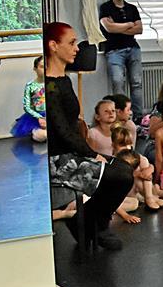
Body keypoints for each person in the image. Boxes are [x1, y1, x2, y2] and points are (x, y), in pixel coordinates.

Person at [43, 22, 134, 252]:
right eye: (71, 43)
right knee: (119, 176)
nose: (76, 48)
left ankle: (88, 221)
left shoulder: (63, 79)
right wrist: (92, 154)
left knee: (125, 170)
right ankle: (97, 225)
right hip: (59, 161)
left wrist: (90, 153)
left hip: (72, 153)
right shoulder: (50, 87)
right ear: (53, 46)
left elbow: (72, 127)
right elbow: (63, 131)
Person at [99, 0, 145, 121]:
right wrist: (129, 25)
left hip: (133, 49)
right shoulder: (105, 8)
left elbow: (139, 29)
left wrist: (117, 27)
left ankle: (138, 118)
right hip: (114, 51)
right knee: (118, 82)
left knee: (137, 83)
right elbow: (109, 28)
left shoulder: (132, 8)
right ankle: (120, 118)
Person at [112, 124, 163, 212]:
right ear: (113, 145)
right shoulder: (114, 159)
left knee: (144, 162)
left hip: (135, 189)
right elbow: (119, 177)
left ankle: (149, 197)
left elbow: (146, 163)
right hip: (123, 192)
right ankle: (149, 197)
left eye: (128, 144)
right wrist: (138, 174)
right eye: (122, 144)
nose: (126, 148)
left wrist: (149, 169)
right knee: (135, 201)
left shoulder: (133, 155)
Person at [11, 56, 47, 142]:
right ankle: (34, 131)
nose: (45, 69)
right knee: (42, 136)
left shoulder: (52, 84)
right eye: (42, 67)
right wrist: (39, 117)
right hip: (36, 116)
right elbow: (26, 107)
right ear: (35, 69)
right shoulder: (30, 86)